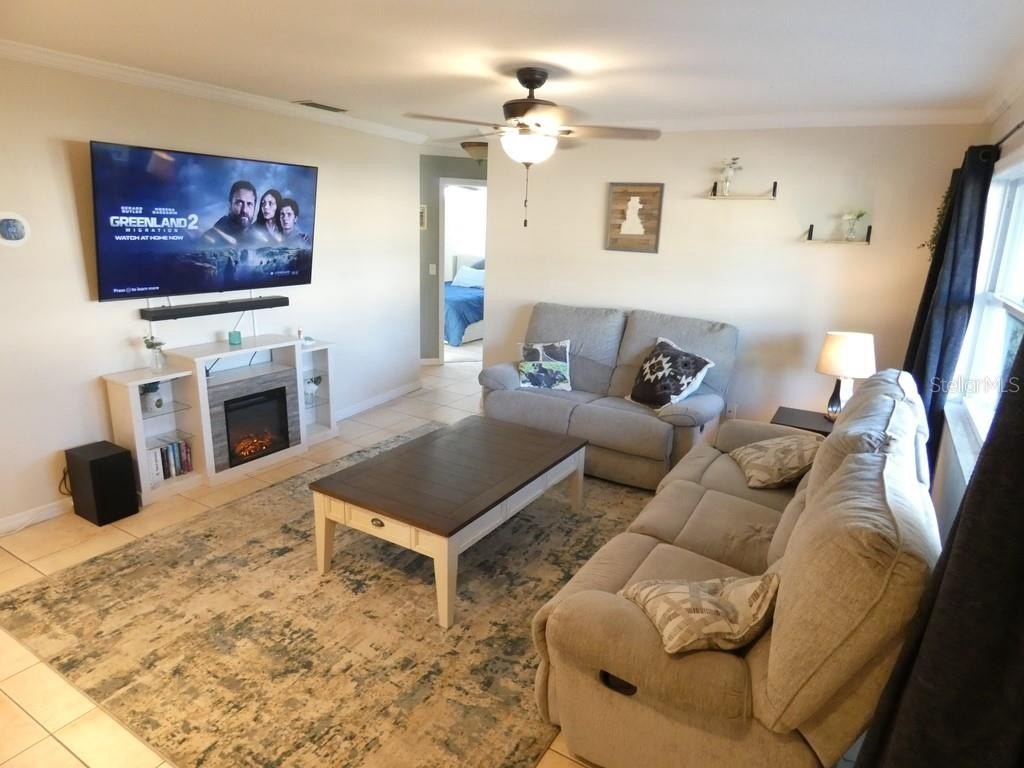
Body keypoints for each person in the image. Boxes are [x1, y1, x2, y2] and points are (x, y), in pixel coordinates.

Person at [201, 180, 257, 246]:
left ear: (254, 207)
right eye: (239, 203)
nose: (244, 210)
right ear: (230, 205)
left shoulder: (257, 237)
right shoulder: (211, 239)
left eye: (249, 204)